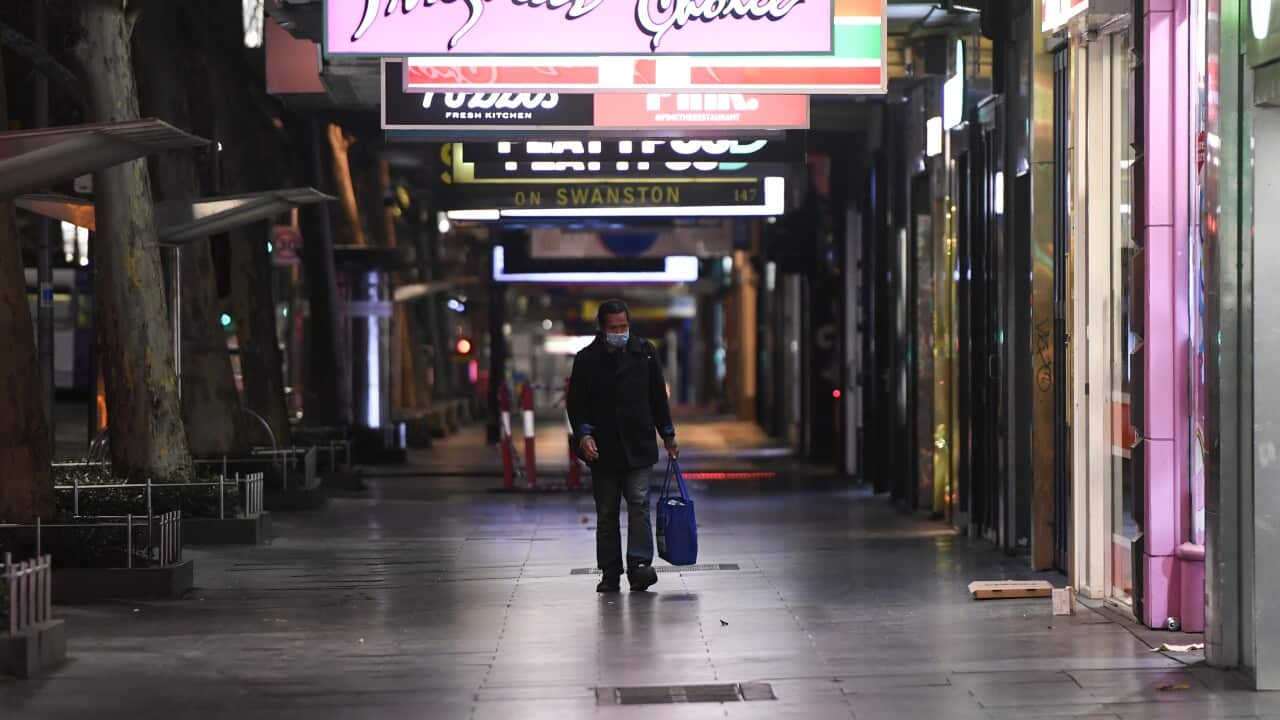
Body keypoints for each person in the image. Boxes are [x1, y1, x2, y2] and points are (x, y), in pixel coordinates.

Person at [568, 299, 679, 593]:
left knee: (639, 505)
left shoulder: (644, 353)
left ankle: (639, 566)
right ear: (602, 329)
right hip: (603, 449)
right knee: (607, 512)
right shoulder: (586, 360)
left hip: (639, 445)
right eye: (614, 328)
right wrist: (584, 436)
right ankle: (610, 572)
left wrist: (667, 434)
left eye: (624, 326)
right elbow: (576, 406)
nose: (621, 332)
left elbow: (658, 397)